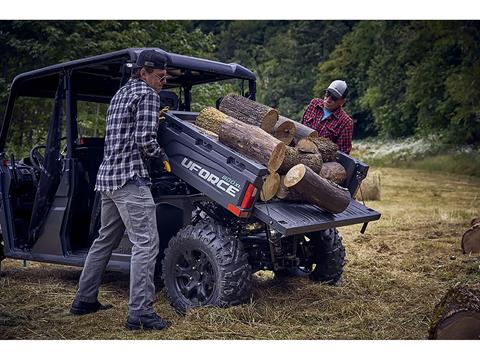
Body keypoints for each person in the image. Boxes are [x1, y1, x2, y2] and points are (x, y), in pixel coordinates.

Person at [70, 49, 171, 331]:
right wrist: (163, 158)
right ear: (143, 72)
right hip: (130, 180)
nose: (164, 81)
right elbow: (144, 139)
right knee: (146, 245)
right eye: (160, 76)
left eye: (165, 77)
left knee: (104, 241)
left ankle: (84, 300)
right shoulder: (148, 95)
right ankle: (139, 313)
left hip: (108, 179)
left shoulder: (120, 94)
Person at [301, 80, 353, 154]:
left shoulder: (346, 122)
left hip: (322, 161)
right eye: (328, 94)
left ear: (342, 101)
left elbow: (343, 153)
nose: (328, 99)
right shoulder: (314, 104)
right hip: (300, 148)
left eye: (334, 98)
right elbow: (301, 125)